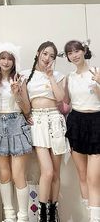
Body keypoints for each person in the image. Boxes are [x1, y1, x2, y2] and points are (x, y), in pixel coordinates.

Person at [25, 41, 70, 222]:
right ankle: (42, 215)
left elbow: (61, 99)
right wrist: (26, 113)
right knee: (48, 172)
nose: (48, 59)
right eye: (45, 54)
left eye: (52, 56)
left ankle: (53, 213)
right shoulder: (26, 75)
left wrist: (51, 77)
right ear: (38, 53)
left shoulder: (58, 75)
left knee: (56, 173)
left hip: (56, 120)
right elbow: (25, 102)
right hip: (38, 121)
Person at [0, 42, 32, 222]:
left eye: (9, 59)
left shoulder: (20, 79)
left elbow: (27, 108)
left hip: (17, 122)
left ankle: (23, 216)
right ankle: (9, 215)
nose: (6, 62)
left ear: (14, 62)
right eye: (3, 58)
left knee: (18, 174)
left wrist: (17, 94)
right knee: (4, 174)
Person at [64, 40, 100, 222]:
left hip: (96, 122)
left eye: (77, 51)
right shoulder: (70, 77)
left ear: (84, 51)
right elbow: (65, 104)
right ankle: (90, 216)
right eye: (70, 53)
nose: (74, 55)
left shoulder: (96, 71)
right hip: (76, 122)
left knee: (95, 179)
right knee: (83, 175)